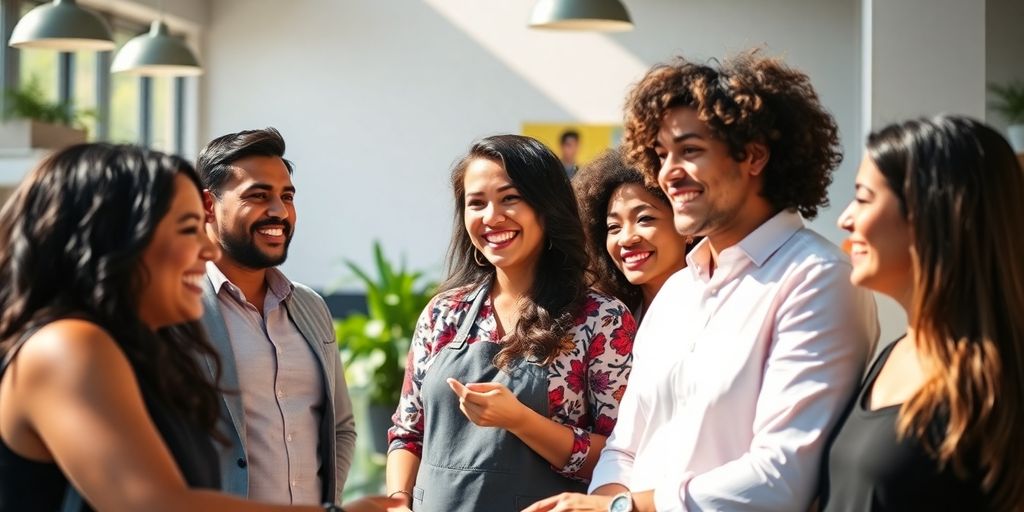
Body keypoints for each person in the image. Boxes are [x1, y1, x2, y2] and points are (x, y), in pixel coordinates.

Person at [526, 50, 879, 512]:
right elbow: (624, 447)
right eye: (661, 154)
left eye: (690, 151)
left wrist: (625, 508)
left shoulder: (817, 280)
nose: (668, 172)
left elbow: (781, 479)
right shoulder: (677, 291)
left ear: (753, 155)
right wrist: (611, 503)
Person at [0, 143, 398, 512]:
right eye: (189, 227)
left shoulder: (128, 347)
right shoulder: (67, 346)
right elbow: (158, 505)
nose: (207, 249)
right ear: (119, 236)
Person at [385, 134, 636, 511]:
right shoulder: (443, 313)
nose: (491, 217)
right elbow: (408, 432)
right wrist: (398, 500)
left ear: (546, 207)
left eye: (510, 198)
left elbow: (620, 455)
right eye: (476, 203)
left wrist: (520, 419)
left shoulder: (601, 319)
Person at [819, 115, 1024, 511]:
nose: (845, 219)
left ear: (930, 213)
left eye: (862, 198)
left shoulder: (997, 383)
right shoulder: (893, 353)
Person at [195, 128, 356, 505]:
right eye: (258, 195)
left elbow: (341, 427)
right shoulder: (175, 309)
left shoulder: (310, 307)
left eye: (287, 196)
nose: (279, 212)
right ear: (207, 205)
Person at [573, 148, 691, 318]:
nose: (626, 238)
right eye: (614, 227)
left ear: (687, 224)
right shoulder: (608, 318)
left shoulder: (716, 306)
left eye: (644, 219)